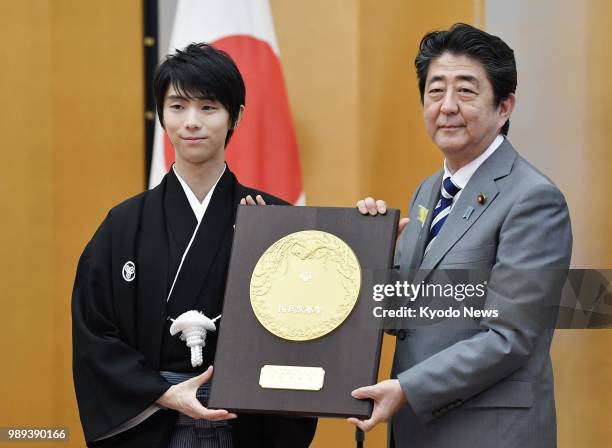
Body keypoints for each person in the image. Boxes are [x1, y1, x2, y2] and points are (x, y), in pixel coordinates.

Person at [72, 43, 316, 448]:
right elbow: (94, 332)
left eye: (208, 107)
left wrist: (266, 250)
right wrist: (165, 393)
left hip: (245, 423)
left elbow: (307, 318)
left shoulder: (274, 219)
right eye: (177, 106)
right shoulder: (123, 225)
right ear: (161, 115)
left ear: (235, 115)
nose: (191, 123)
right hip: (152, 420)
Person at [349, 23, 572, 447]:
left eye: (466, 91)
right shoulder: (428, 190)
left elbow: (511, 337)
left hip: (487, 432)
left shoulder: (533, 199)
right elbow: (410, 314)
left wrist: (407, 389)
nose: (447, 106)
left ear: (504, 106)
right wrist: (365, 249)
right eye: (435, 91)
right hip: (418, 430)